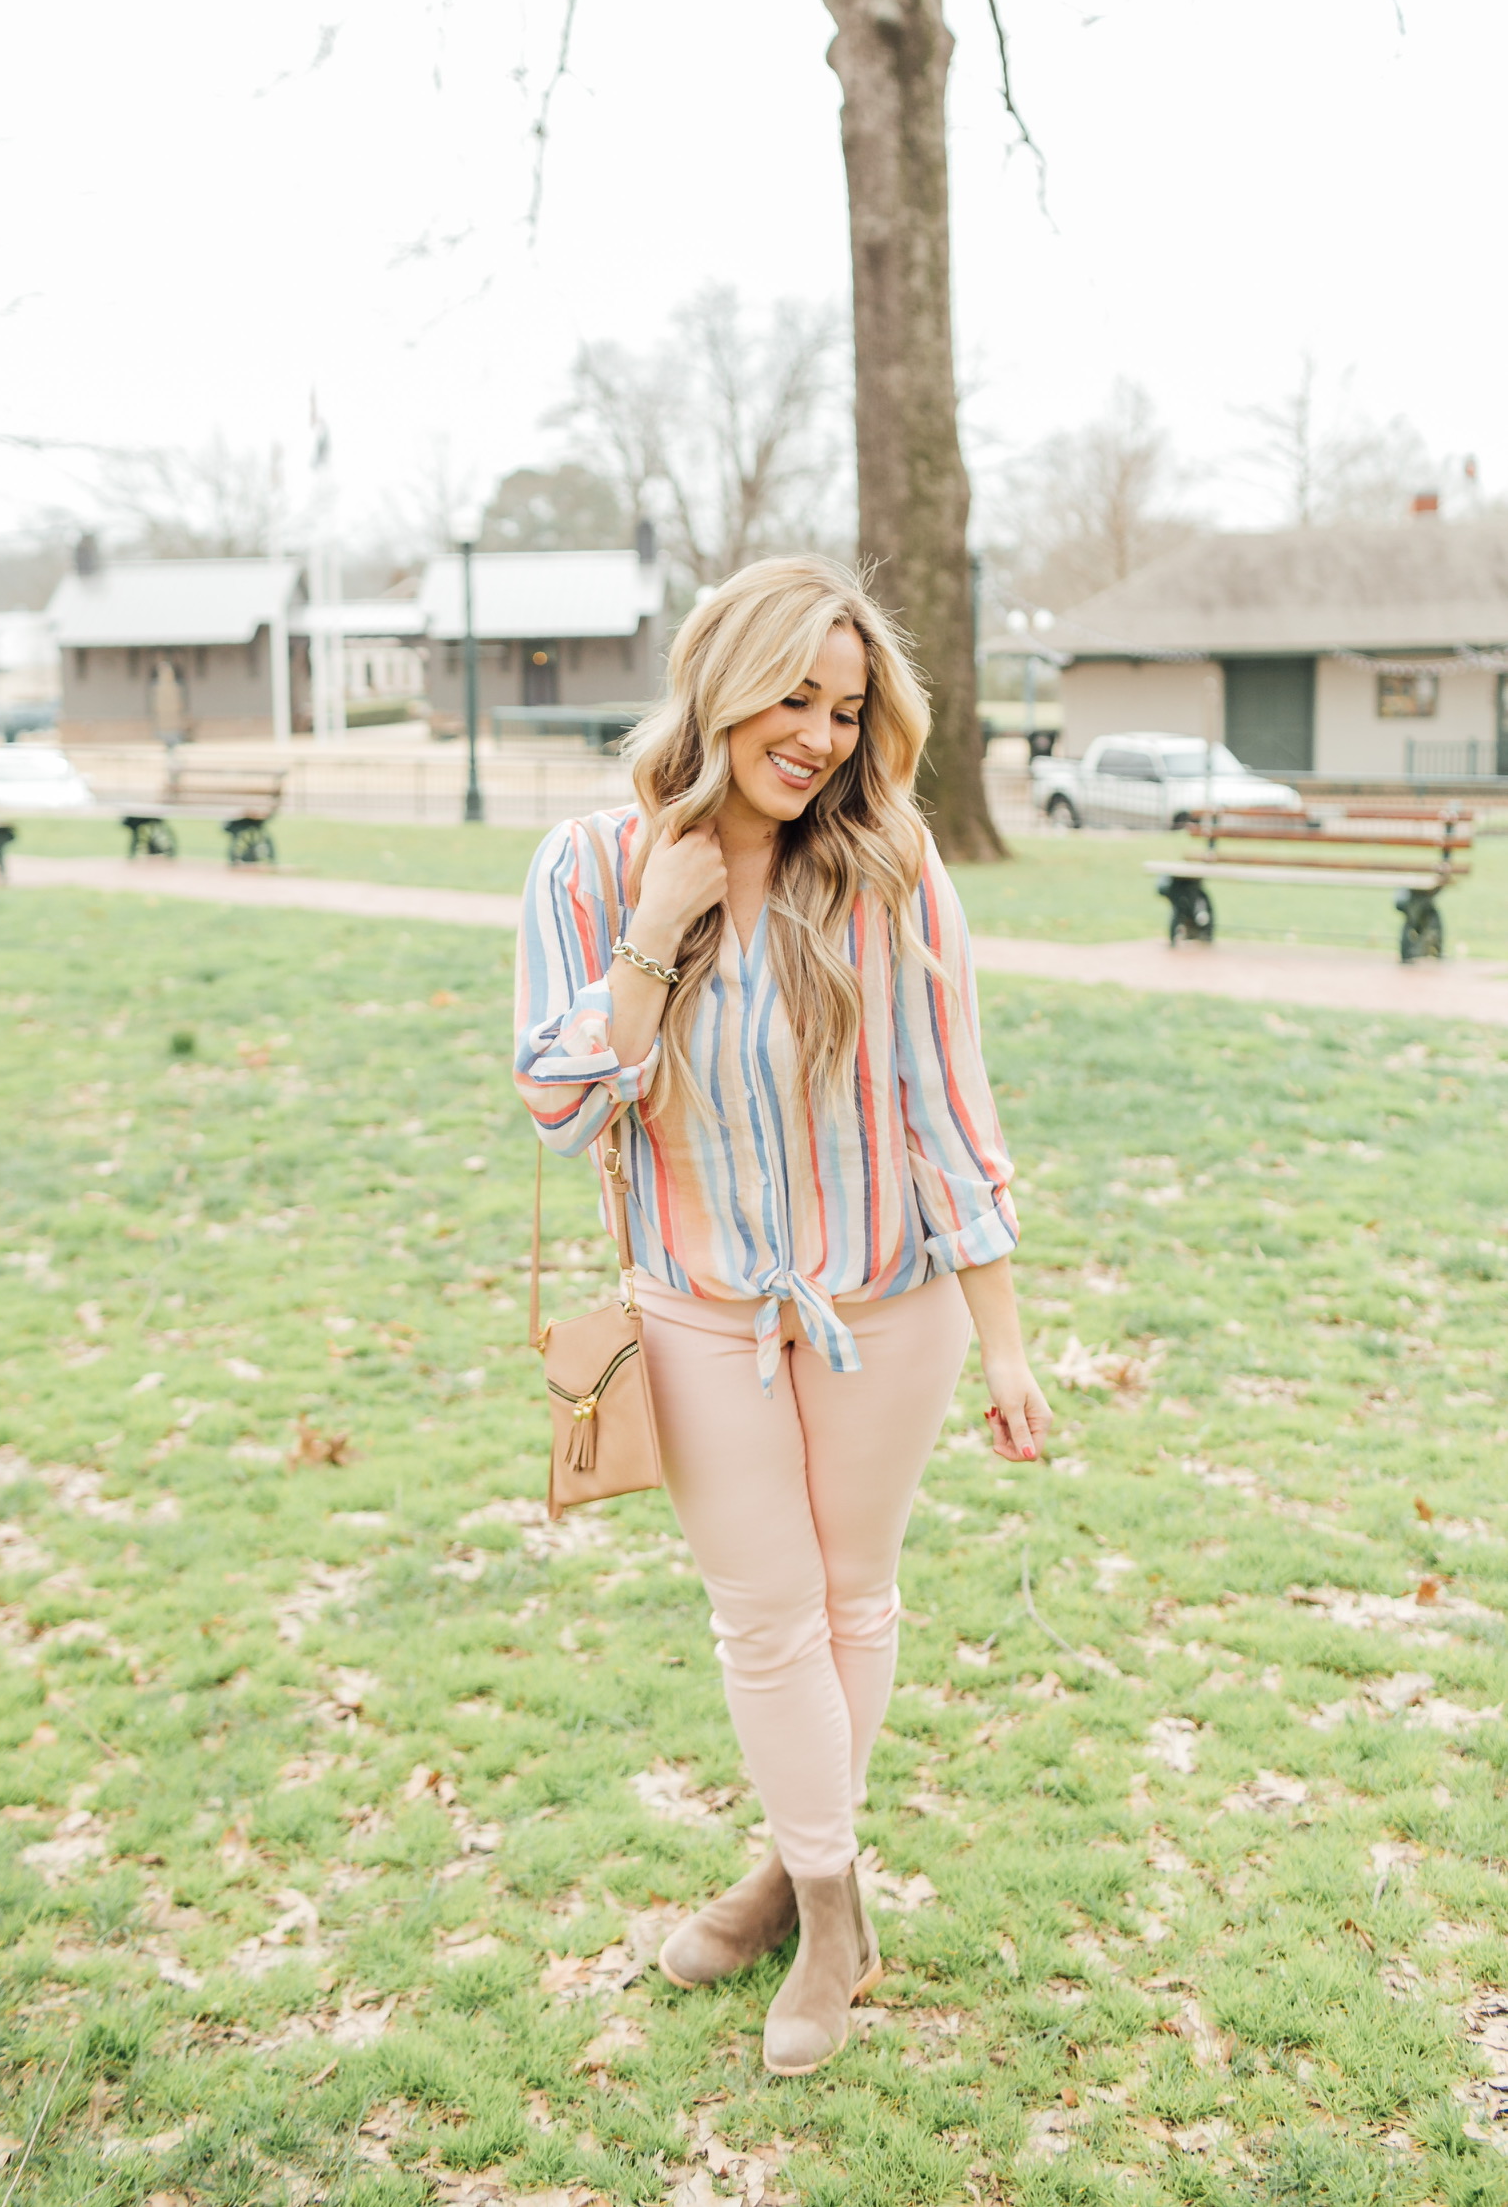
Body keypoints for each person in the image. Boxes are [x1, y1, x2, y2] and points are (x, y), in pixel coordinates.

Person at [514, 557, 1051, 2075]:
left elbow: (952, 1111)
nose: (818, 736)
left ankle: (785, 1880)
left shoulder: (887, 864)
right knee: (766, 1614)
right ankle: (835, 1912)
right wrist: (655, 933)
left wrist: (1006, 1343)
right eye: (794, 698)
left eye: (847, 708)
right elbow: (555, 1109)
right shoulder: (585, 868)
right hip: (695, 1307)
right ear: (720, 680)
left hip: (888, 1298)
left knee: (851, 1598)